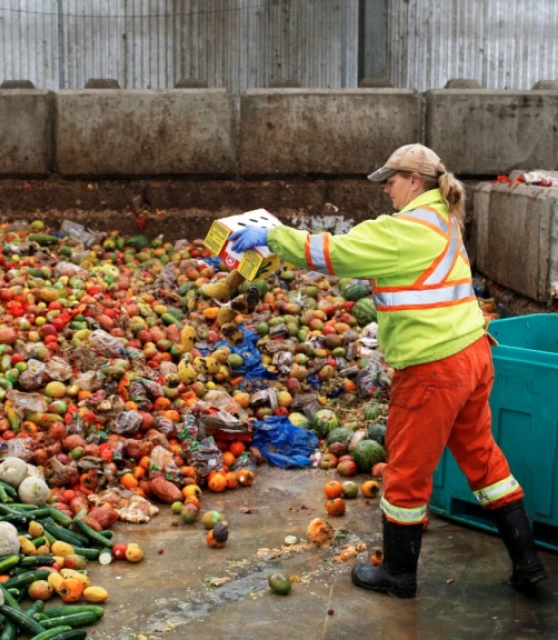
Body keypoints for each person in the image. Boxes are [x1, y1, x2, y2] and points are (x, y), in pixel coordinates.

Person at [229, 143, 547, 598]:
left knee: (405, 471)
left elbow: (337, 253)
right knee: (483, 459)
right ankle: (527, 562)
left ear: (414, 182)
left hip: (434, 367)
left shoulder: (406, 229)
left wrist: (273, 237)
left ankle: (398, 575)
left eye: (391, 182)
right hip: (473, 354)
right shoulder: (444, 219)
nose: (387, 191)